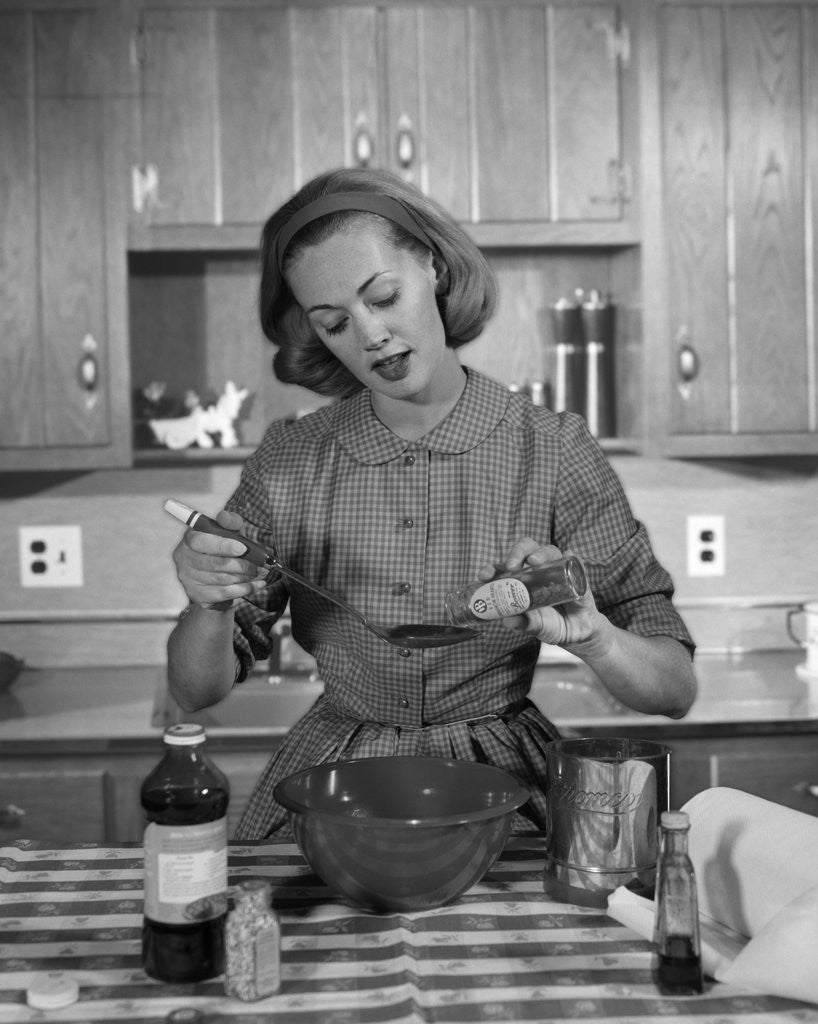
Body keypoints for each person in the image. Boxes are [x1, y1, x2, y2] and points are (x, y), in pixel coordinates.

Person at [167, 167, 696, 839]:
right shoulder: (291, 459)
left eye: (383, 296)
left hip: (508, 789)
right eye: (334, 323)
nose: (370, 335)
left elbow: (672, 690)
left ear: (434, 267)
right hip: (336, 783)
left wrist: (593, 636)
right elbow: (195, 691)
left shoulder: (553, 448)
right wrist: (208, 603)